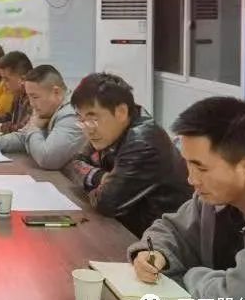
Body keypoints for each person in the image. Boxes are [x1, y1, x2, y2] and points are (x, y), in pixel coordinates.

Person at [130, 97, 245, 300]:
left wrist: (189, 274)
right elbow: (171, 229)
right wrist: (155, 254)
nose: (191, 179)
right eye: (188, 164)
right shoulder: (215, 197)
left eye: (201, 168)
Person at [64, 72, 191, 237]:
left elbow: (106, 202)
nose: (88, 129)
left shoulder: (143, 141)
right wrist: (100, 177)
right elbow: (74, 164)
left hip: (157, 240)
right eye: (81, 120)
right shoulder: (109, 131)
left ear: (121, 112)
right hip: (127, 229)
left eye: (93, 118)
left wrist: (98, 183)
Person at [0, 65, 86, 171]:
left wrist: (34, 128)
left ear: (56, 92)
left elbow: (48, 159)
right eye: (29, 97)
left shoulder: (71, 114)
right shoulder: (48, 109)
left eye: (35, 97)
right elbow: (23, 137)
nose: (31, 103)